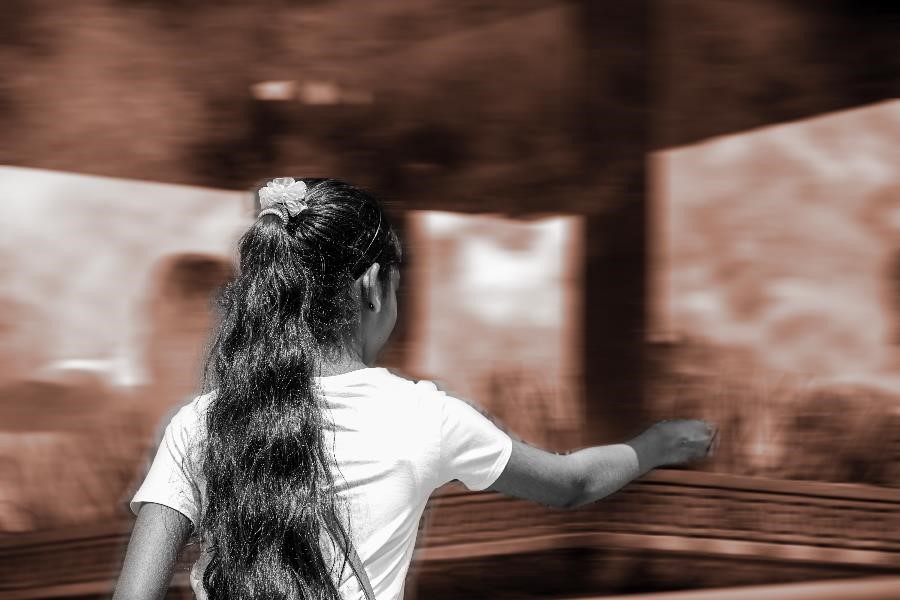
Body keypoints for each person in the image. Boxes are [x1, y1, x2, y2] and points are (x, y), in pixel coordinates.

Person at [113, 177, 718, 600]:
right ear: (374, 286)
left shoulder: (202, 423)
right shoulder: (422, 417)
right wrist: (656, 446)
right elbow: (573, 485)